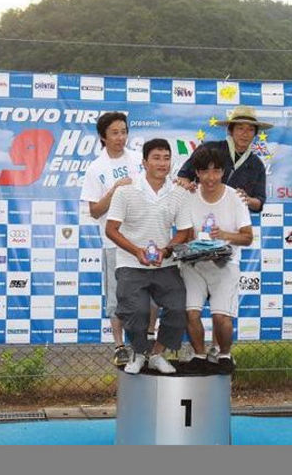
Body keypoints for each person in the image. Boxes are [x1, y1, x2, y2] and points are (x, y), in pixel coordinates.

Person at [105, 138, 192, 374]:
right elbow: (111, 229)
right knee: (137, 311)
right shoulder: (125, 191)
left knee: (179, 308)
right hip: (130, 263)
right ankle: (139, 352)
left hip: (165, 264)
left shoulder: (179, 193)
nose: (162, 163)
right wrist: (137, 251)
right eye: (156, 158)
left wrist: (166, 250)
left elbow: (184, 231)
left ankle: (156, 354)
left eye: (166, 158)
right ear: (144, 162)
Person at [79, 111, 158, 367]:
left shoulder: (139, 159)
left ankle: (148, 339)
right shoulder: (96, 168)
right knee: (117, 298)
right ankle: (119, 346)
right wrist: (115, 190)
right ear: (103, 136)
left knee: (152, 293)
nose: (120, 137)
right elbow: (94, 211)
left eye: (124, 132)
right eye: (114, 133)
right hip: (114, 242)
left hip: (145, 239)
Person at [180, 146, 253, 374]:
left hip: (225, 265)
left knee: (221, 317)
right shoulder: (189, 197)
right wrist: (192, 247)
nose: (210, 178)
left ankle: (224, 354)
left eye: (216, 171)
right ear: (197, 173)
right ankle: (199, 354)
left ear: (223, 172)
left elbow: (247, 237)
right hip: (194, 265)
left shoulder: (235, 198)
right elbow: (186, 235)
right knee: (191, 312)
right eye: (205, 172)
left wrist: (223, 236)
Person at [176, 104, 272, 213]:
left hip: (233, 218)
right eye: (240, 128)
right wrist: (189, 188)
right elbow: (183, 176)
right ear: (230, 131)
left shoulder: (257, 164)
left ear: (255, 134)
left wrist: (247, 200)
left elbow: (259, 202)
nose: (245, 134)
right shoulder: (208, 149)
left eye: (250, 129)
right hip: (200, 211)